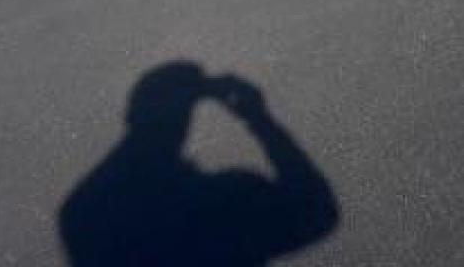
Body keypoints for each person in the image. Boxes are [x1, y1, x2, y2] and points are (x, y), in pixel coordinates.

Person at [59, 62, 338, 266]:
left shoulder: (81, 212)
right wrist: (259, 119)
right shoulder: (227, 198)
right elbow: (317, 212)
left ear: (130, 114)